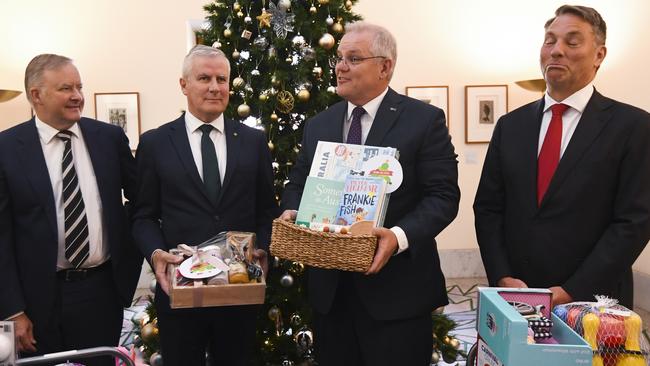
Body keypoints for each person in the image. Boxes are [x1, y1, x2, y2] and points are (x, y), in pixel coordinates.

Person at [279, 22, 460, 366]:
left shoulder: (423, 120)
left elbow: (443, 197)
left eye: (353, 58)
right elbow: (297, 185)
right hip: (331, 298)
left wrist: (397, 236)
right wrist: (292, 210)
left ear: (385, 67)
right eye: (339, 58)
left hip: (398, 297)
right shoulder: (319, 125)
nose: (340, 66)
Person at [474, 5, 650, 309]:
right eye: (549, 40)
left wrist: (572, 290)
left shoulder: (633, 126)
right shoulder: (510, 126)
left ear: (599, 55)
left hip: (595, 304)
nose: (556, 51)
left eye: (572, 41)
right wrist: (502, 276)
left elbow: (634, 223)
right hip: (516, 297)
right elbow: (488, 208)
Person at [131, 45, 278, 366]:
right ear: (183, 85)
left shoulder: (253, 142)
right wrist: (156, 255)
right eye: (204, 78)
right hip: (180, 292)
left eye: (222, 79)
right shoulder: (156, 143)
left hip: (238, 292)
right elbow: (142, 216)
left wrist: (265, 249)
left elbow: (268, 211)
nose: (215, 87)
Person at [0, 54, 142, 365]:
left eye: (79, 86)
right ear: (36, 95)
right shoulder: (6, 148)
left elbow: (141, 202)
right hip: (34, 300)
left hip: (101, 292)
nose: (77, 96)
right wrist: (12, 309)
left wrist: (127, 263)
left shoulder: (109, 138)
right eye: (66, 88)